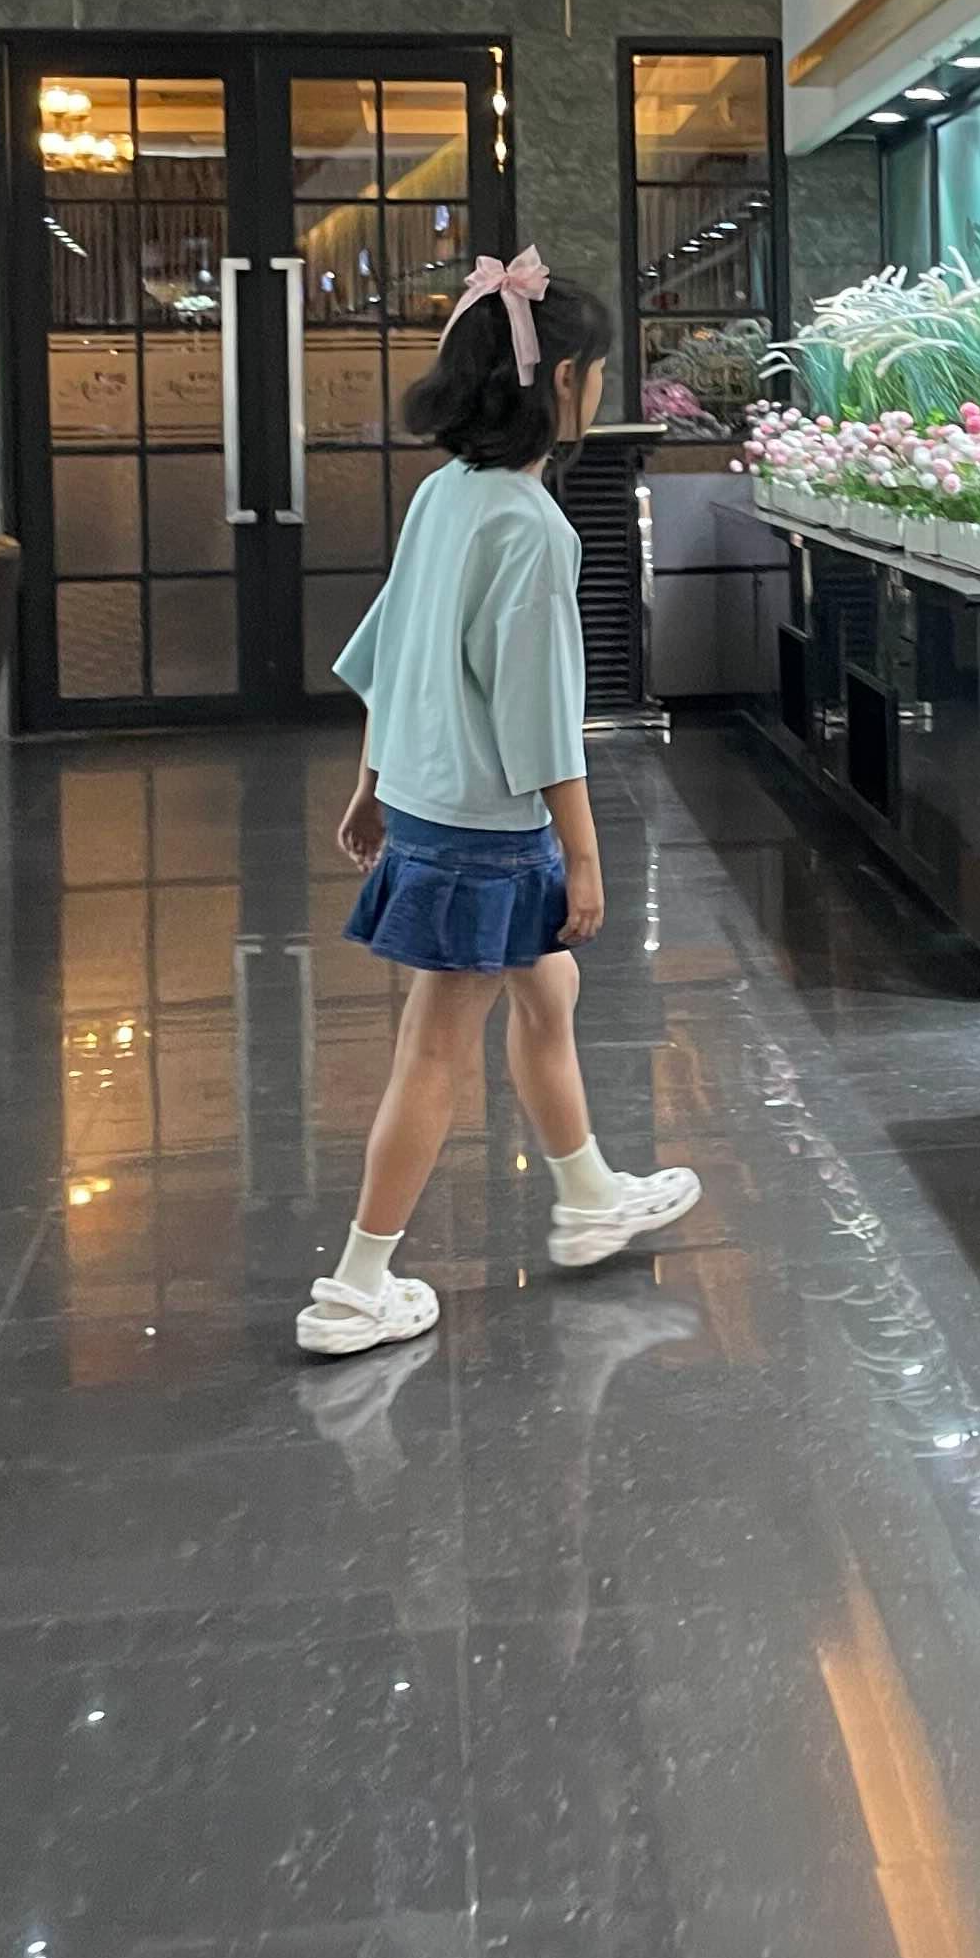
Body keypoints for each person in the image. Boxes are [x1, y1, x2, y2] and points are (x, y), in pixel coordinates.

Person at [297, 248, 700, 1357]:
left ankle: (587, 1194)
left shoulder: (442, 496)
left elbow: (390, 651)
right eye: (600, 373)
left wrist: (373, 783)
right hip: (489, 826)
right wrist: (586, 857)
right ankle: (355, 1288)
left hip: (433, 802)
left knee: (548, 987)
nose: (601, 389)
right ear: (564, 382)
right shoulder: (532, 528)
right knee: (436, 1048)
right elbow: (539, 717)